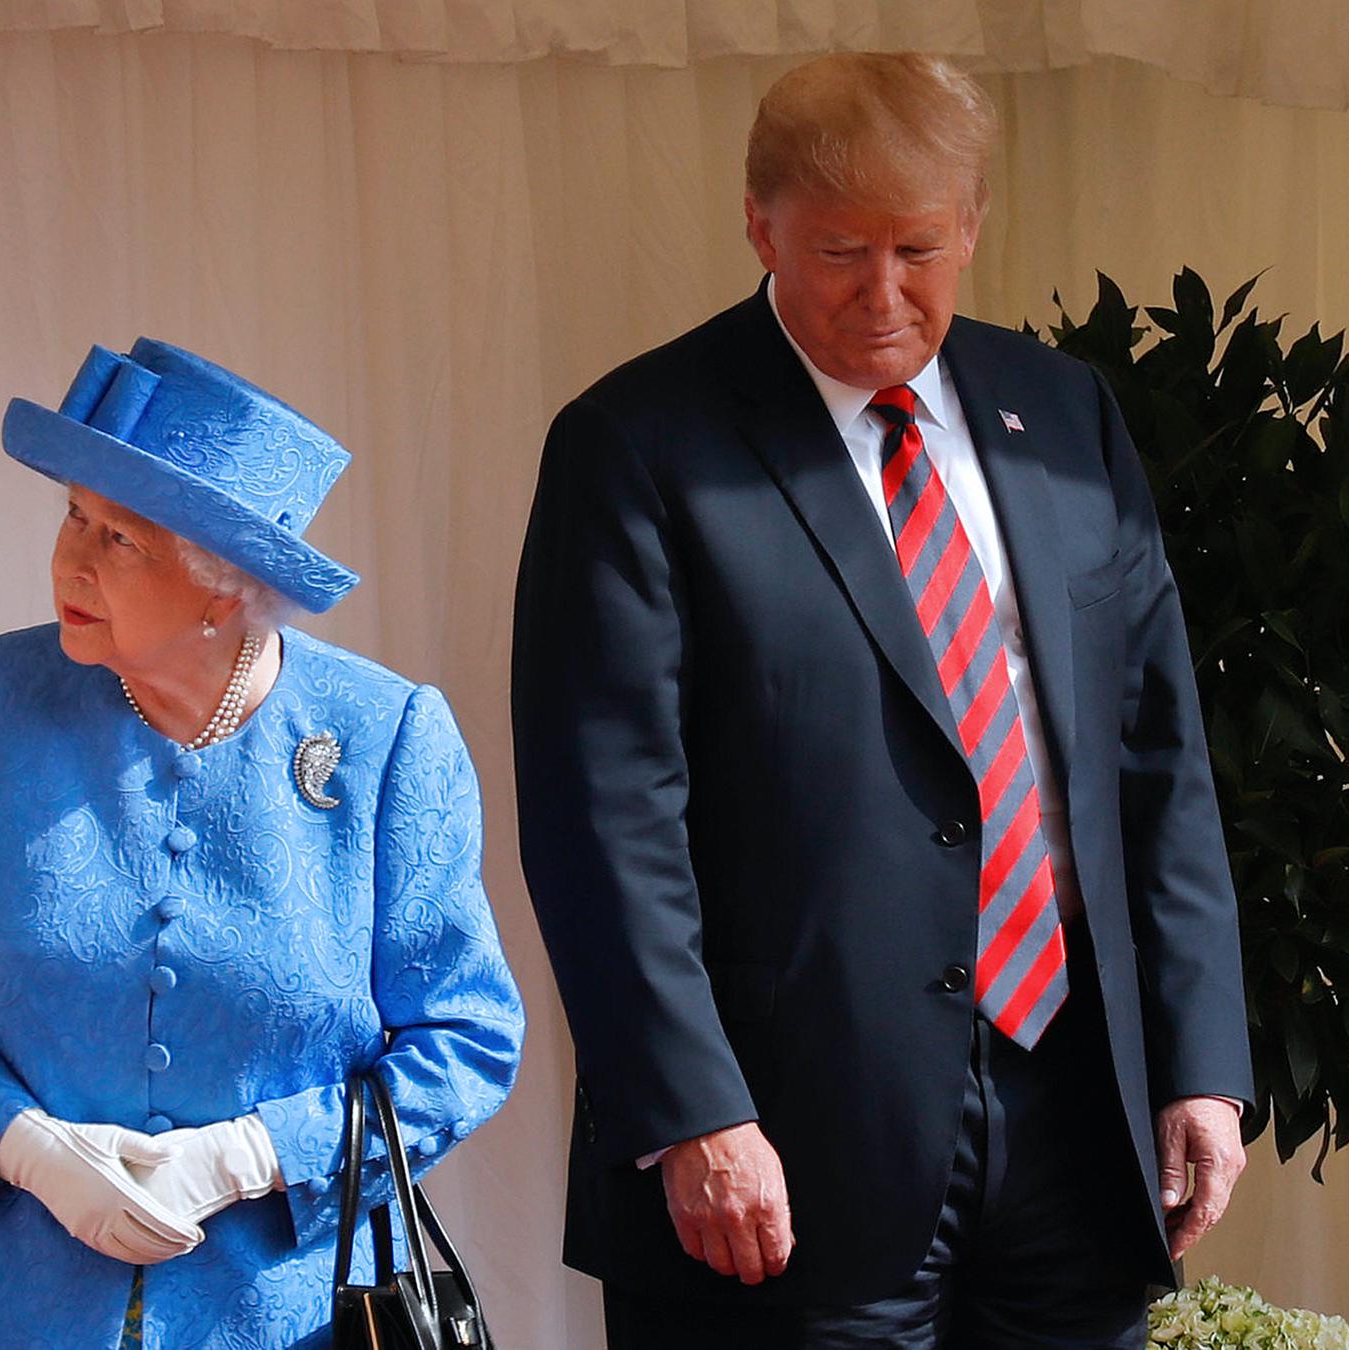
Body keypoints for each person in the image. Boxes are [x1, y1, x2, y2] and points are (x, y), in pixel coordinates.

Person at [512, 52, 1254, 1347]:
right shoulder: (638, 443)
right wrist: (693, 1111)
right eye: (841, 251)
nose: (885, 292)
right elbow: (604, 814)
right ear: (761, 226)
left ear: (972, 226)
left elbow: (1156, 757)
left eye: (919, 248)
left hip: (1073, 1109)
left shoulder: (1064, 414)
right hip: (784, 1141)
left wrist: (1200, 1061)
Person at [0, 338, 525, 1349]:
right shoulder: (3, 697)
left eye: (120, 539)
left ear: (225, 587)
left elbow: (466, 1041)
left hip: (285, 1319)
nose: (70, 561)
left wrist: (251, 1156)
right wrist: (30, 1151)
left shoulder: (386, 738)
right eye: (74, 514)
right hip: (17, 1312)